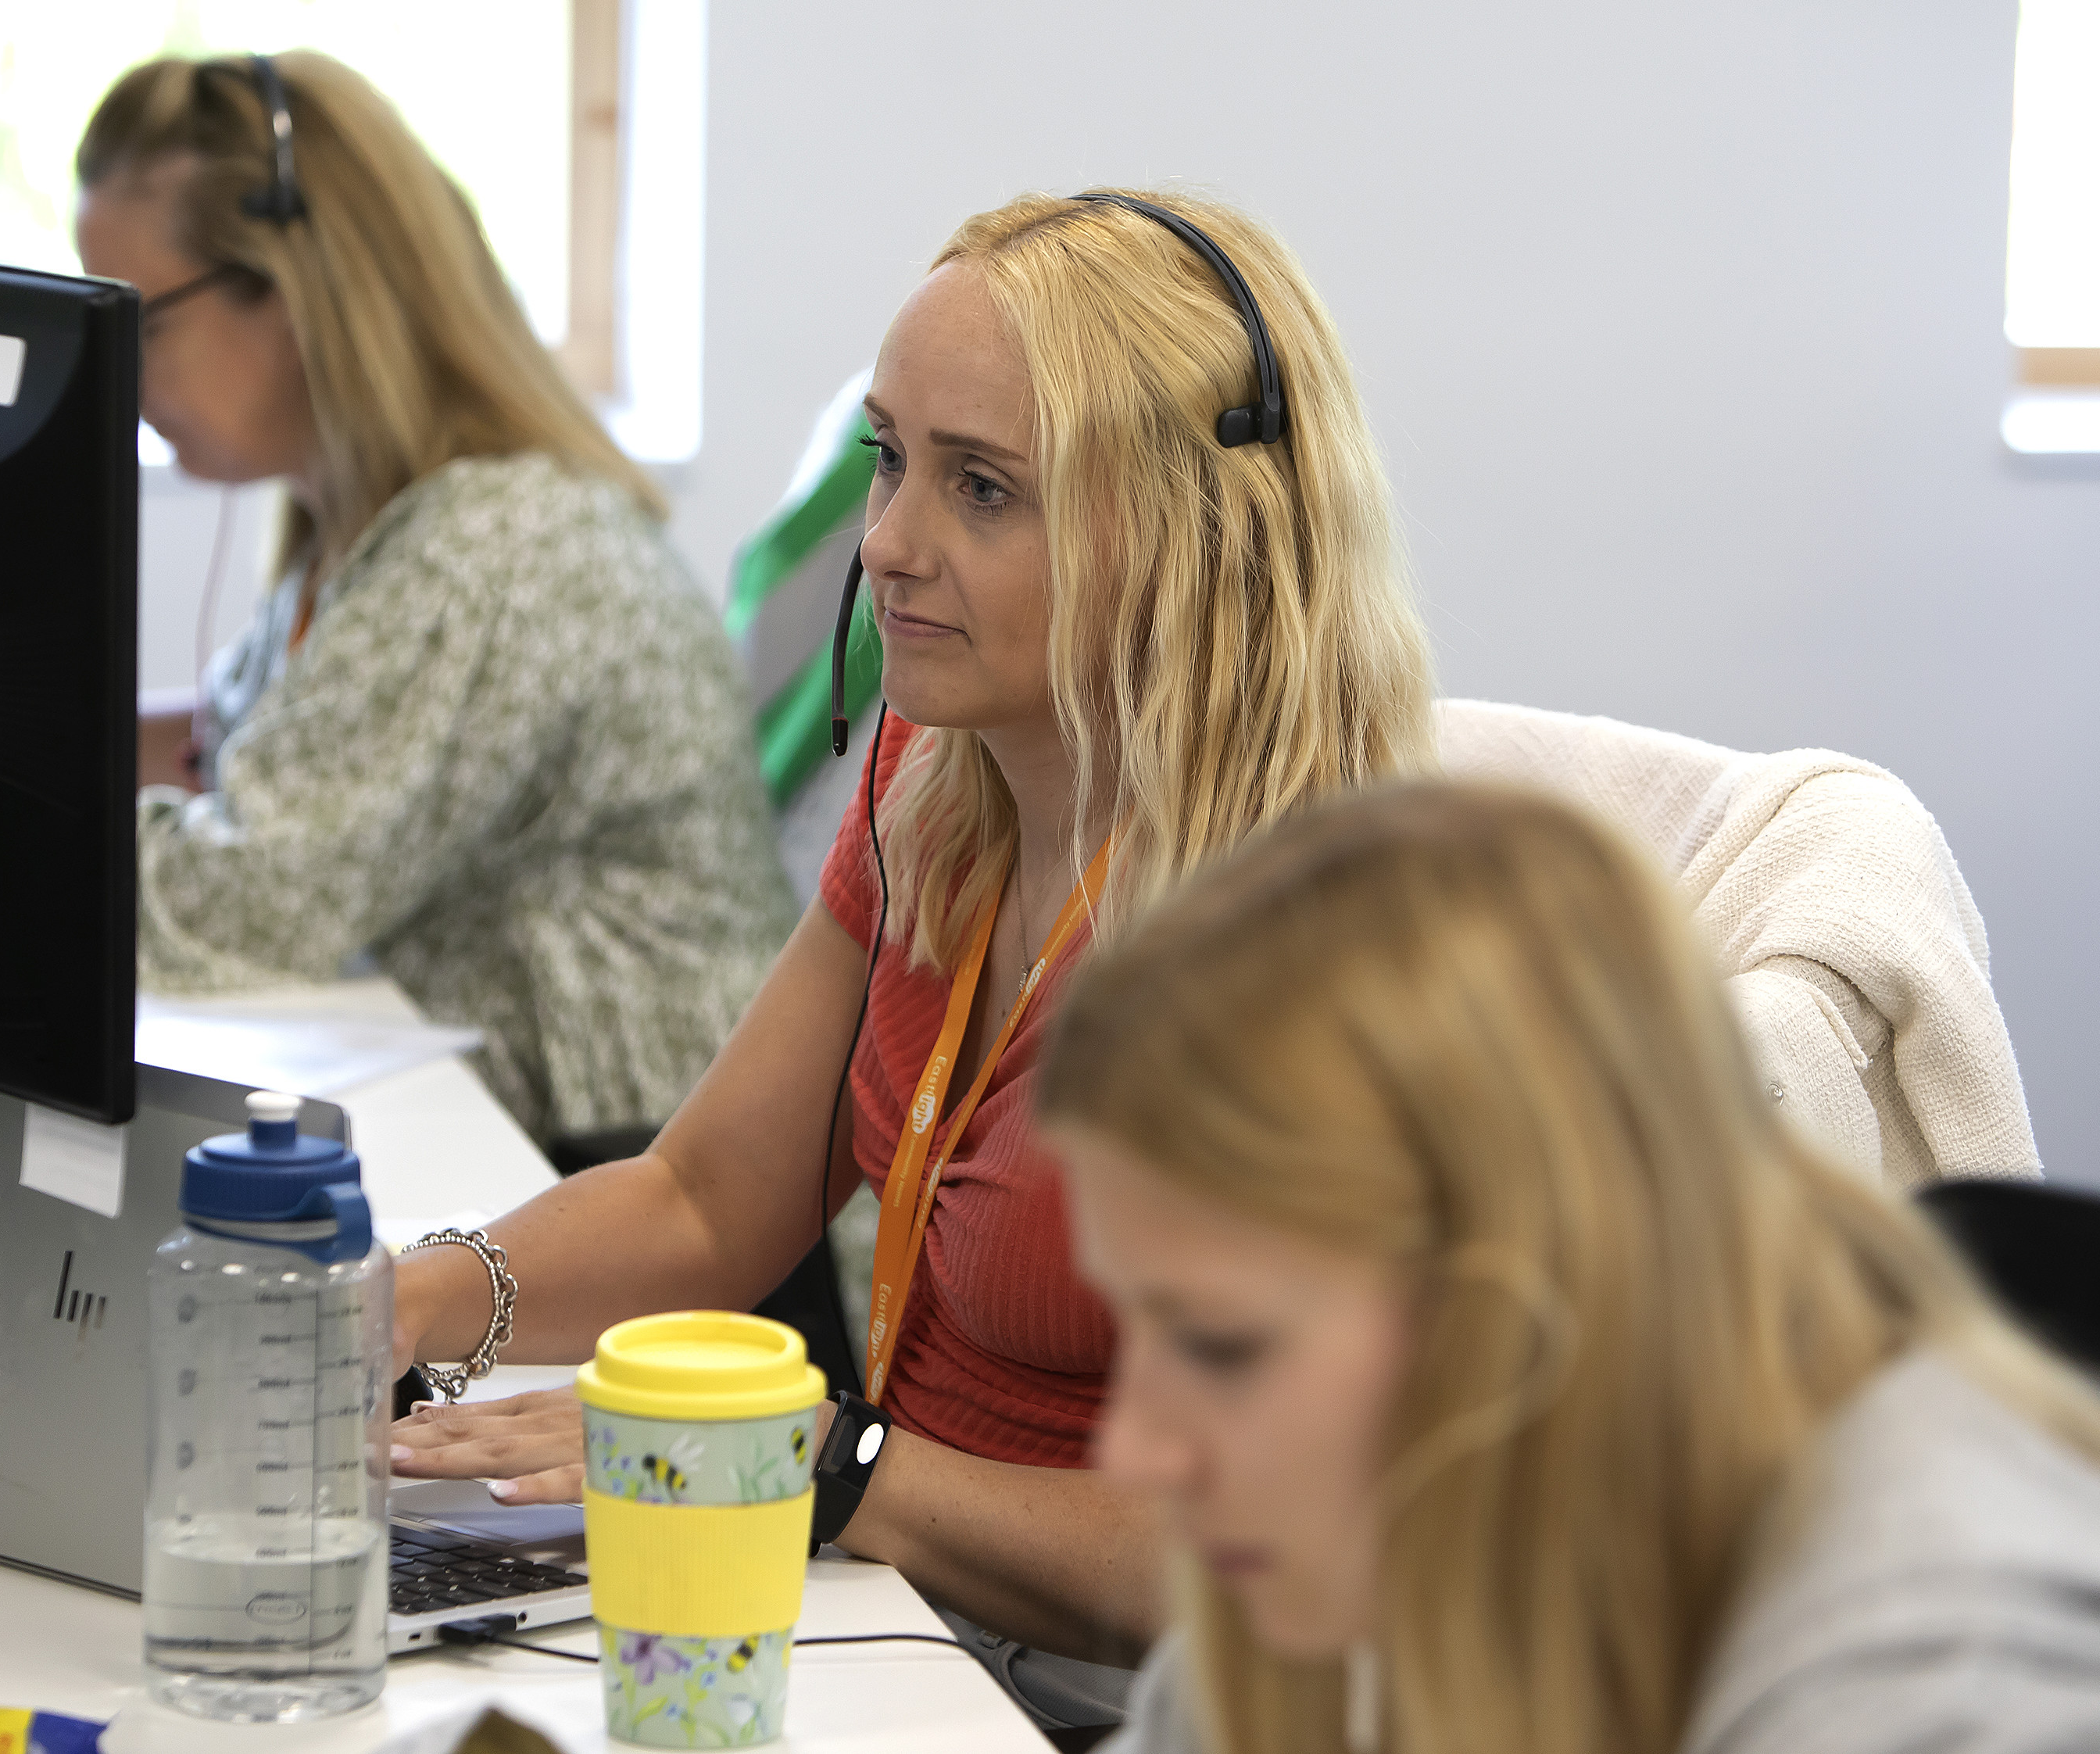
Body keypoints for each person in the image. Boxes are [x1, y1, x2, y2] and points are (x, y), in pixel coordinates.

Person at [388, 188, 1435, 1731]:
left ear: (1196, 532)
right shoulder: (935, 799)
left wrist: (832, 1470)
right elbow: (706, 1200)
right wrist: (398, 1309)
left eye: (984, 490)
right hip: (899, 1622)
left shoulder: (1309, 942)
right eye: (890, 461)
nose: (886, 546)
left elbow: (1270, 1560)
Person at [1042, 782, 2100, 1754]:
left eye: (1221, 1345)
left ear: (1530, 1300)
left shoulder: (1946, 1699)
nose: (1134, 1450)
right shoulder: (1379, 1536)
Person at [74, 52, 791, 1157]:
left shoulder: (488, 552)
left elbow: (233, 909)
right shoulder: (357, 520)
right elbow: (241, 758)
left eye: (140, 327)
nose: (113, 380)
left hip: (660, 1192)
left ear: (294, 290)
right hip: (561, 1145)